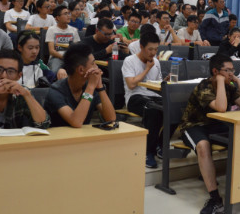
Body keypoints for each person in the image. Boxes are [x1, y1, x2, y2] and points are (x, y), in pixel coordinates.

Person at [180, 54, 240, 214]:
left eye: (233, 70)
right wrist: (220, 81)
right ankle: (215, 199)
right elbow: (221, 107)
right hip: (193, 126)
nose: (231, 74)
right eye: (228, 71)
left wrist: (239, 81)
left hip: (216, 125)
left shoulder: (229, 86)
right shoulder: (204, 86)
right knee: (203, 146)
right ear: (215, 71)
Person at [44, 43, 115, 128]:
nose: (97, 68)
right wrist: (91, 87)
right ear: (81, 70)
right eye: (93, 64)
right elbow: (76, 122)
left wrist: (100, 87)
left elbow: (111, 119)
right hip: (59, 136)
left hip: (84, 135)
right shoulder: (55, 91)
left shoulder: (91, 87)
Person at [122, 32, 163, 168]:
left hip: (154, 95)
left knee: (175, 107)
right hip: (135, 97)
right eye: (150, 49)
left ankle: (161, 144)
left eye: (156, 49)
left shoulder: (156, 62)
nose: (153, 53)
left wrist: (165, 81)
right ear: (141, 47)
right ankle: (148, 152)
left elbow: (157, 84)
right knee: (153, 110)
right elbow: (131, 84)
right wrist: (147, 69)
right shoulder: (129, 61)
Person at [46, 6, 81, 73]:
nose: (68, 16)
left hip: (71, 59)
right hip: (56, 58)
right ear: (58, 18)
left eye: (68, 13)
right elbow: (52, 51)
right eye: (65, 14)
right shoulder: (51, 29)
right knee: (55, 71)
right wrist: (65, 57)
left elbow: (76, 49)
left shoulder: (74, 30)